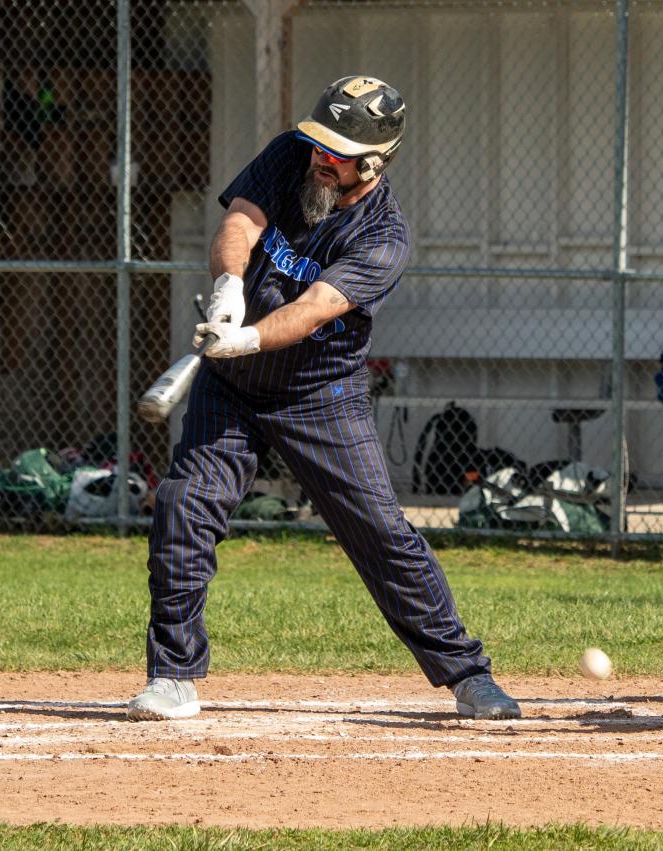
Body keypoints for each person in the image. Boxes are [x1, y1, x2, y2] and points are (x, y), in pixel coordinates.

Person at [126, 76, 520, 722]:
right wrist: (229, 284)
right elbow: (241, 219)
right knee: (184, 505)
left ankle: (468, 675)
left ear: (371, 164)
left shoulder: (384, 236)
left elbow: (314, 310)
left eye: (335, 151)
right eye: (318, 142)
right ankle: (173, 675)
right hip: (233, 387)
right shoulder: (291, 155)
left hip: (319, 394)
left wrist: (247, 335)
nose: (319, 156)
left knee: (383, 536)